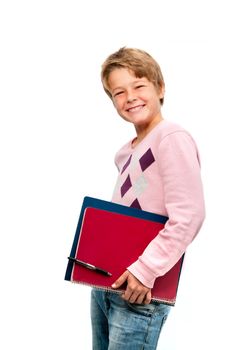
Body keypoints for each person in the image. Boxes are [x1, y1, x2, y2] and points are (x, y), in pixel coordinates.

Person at [91, 47, 205, 350]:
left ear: (160, 88)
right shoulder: (126, 152)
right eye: (119, 92)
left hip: (140, 288)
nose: (130, 97)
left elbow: (188, 216)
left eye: (139, 86)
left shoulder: (170, 137)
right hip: (107, 283)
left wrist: (145, 271)